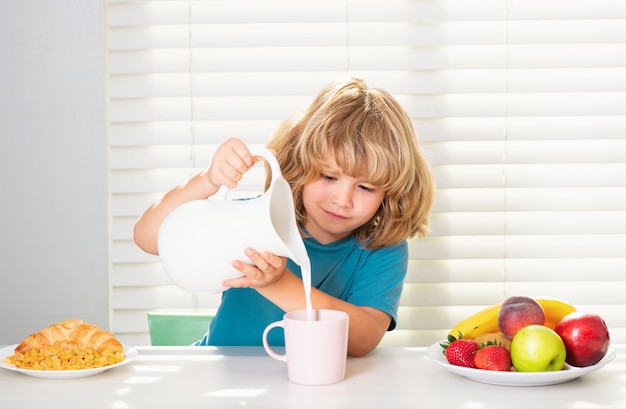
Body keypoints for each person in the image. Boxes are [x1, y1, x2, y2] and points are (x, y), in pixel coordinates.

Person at [134, 77, 435, 357]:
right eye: (329, 176)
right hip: (219, 372)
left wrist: (276, 284)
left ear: (391, 193)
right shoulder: (255, 220)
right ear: (300, 165)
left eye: (366, 187)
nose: (342, 200)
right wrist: (209, 180)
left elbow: (362, 339)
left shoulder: (381, 249)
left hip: (309, 384)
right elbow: (148, 237)